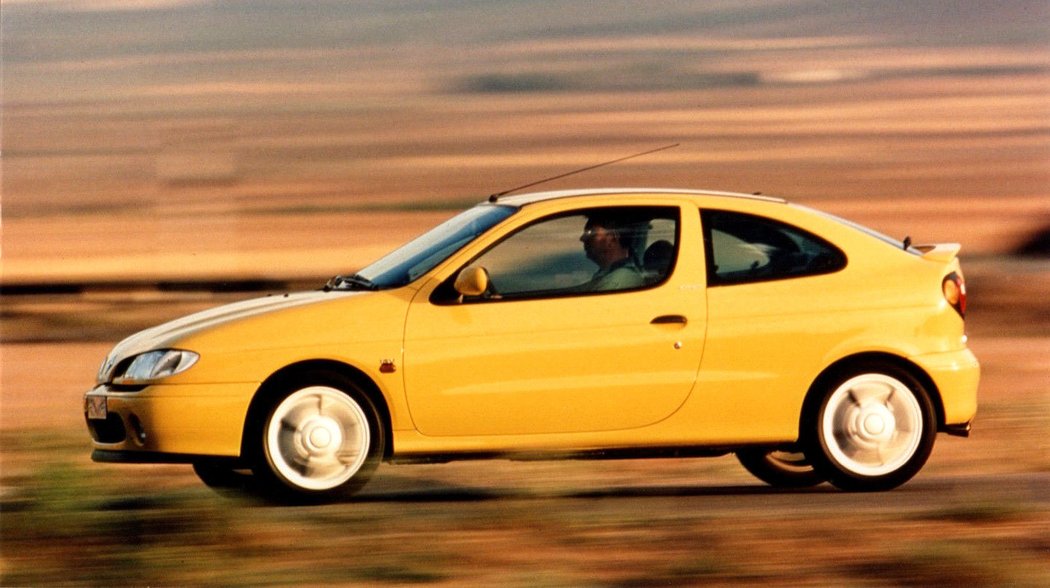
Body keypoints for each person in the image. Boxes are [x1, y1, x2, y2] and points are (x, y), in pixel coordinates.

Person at [580, 213, 644, 291]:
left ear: (612, 239)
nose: (582, 238)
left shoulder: (617, 283)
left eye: (591, 233)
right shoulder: (608, 275)